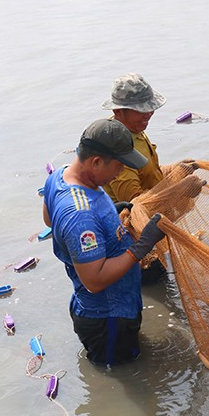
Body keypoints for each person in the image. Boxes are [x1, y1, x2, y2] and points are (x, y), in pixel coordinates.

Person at [43, 119, 167, 366]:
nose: (120, 173)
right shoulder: (81, 216)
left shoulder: (59, 176)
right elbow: (94, 281)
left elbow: (49, 220)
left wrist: (109, 213)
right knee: (122, 373)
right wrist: (140, 247)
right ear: (96, 161)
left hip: (110, 309)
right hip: (107, 318)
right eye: (119, 166)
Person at [101, 73, 169, 203]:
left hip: (159, 212)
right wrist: (180, 191)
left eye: (151, 108)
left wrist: (177, 171)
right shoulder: (118, 145)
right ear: (118, 111)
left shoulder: (134, 127)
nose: (148, 114)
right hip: (136, 221)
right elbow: (134, 203)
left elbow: (147, 173)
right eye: (141, 110)